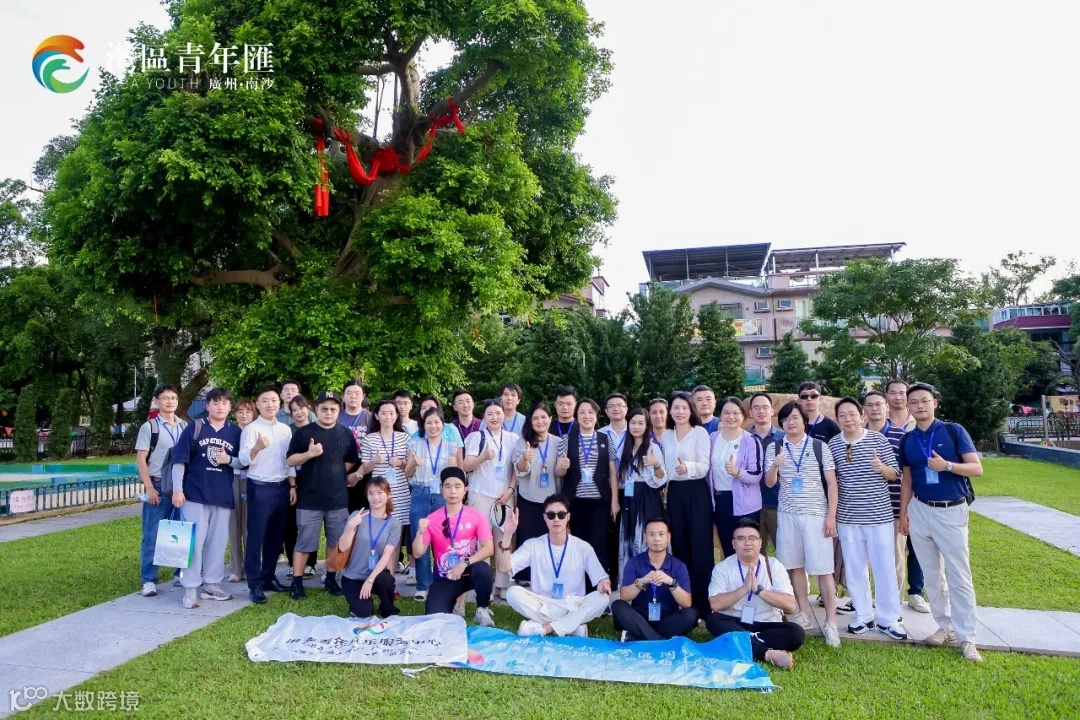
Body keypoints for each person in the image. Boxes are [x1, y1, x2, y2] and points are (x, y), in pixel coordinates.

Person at [898, 383, 984, 662]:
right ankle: (944, 626)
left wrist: (946, 466)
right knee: (932, 575)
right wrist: (903, 513)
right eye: (913, 402)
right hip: (920, 509)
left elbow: (976, 468)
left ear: (934, 402)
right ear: (908, 407)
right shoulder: (908, 439)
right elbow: (907, 480)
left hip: (951, 510)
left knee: (959, 575)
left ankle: (967, 637)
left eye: (924, 400)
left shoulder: (953, 431)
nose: (919, 406)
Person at [828, 397, 908, 639]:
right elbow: (833, 481)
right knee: (854, 568)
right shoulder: (833, 444)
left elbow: (895, 474)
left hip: (879, 517)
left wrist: (880, 467)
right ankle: (862, 616)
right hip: (848, 518)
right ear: (837, 419)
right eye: (842, 415)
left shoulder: (877, 440)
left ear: (861, 416)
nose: (848, 419)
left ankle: (888, 619)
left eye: (852, 414)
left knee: (884, 567)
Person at [763, 401, 841, 647]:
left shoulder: (819, 446)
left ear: (804, 421)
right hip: (787, 515)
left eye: (795, 418)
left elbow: (832, 483)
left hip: (816, 515)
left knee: (824, 570)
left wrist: (831, 516)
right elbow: (769, 482)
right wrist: (775, 465)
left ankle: (831, 623)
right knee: (794, 566)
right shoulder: (775, 447)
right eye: (786, 419)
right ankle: (804, 613)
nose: (791, 423)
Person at [498, 495, 612, 637]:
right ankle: (571, 626)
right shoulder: (533, 545)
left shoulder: (583, 547)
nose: (556, 519)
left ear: (568, 517)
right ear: (545, 518)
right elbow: (504, 567)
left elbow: (601, 578)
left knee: (602, 598)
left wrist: (603, 584)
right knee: (512, 593)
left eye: (561, 515)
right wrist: (508, 534)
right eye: (551, 515)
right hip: (543, 604)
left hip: (572, 604)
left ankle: (545, 628)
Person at [170, 388, 242, 608]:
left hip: (222, 496)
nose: (220, 407)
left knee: (217, 543)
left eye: (225, 403)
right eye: (216, 403)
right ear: (208, 405)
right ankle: (190, 587)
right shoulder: (195, 427)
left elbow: (243, 462)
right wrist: (177, 489)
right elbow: (179, 460)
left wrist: (228, 459)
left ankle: (211, 584)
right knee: (193, 543)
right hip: (195, 494)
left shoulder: (235, 432)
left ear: (229, 407)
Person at [285, 390, 360, 600]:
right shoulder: (303, 433)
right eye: (324, 408)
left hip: (337, 499)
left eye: (333, 409)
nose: (328, 412)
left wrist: (335, 473)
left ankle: (330, 579)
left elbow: (351, 460)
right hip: (309, 499)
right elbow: (290, 460)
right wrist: (309, 454)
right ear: (316, 409)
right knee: (304, 543)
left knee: (335, 542)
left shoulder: (345, 434)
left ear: (339, 410)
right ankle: (297, 582)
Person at [705, 519, 805, 670]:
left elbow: (790, 605)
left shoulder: (774, 566)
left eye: (752, 538)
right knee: (713, 620)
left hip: (767, 624)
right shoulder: (723, 568)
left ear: (760, 543)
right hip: (736, 622)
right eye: (741, 538)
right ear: (733, 544)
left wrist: (759, 590)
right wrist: (744, 589)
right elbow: (715, 605)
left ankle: (742, 642)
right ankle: (767, 654)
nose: (747, 543)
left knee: (796, 633)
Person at [865, 389, 929, 614]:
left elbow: (908, 475)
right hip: (863, 510)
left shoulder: (902, 437)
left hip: (893, 507)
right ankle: (865, 603)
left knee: (895, 560)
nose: (874, 409)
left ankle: (894, 606)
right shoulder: (856, 435)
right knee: (864, 562)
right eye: (870, 405)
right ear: (864, 409)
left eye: (878, 404)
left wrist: (905, 510)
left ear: (886, 407)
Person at [413, 467, 496, 626]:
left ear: (465, 490)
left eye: (457, 486)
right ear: (441, 489)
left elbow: (488, 548)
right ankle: (451, 606)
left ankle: (482, 608)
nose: (453, 491)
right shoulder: (432, 519)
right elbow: (417, 553)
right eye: (448, 486)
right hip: (446, 577)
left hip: (470, 572)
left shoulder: (475, 515)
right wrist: (419, 534)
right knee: (434, 619)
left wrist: (465, 562)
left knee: (483, 569)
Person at [239, 384, 296, 604]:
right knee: (256, 537)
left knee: (276, 536)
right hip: (260, 487)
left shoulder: (285, 429)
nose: (270, 404)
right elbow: (244, 459)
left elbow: (289, 460)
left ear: (279, 404)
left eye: (273, 400)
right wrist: (256, 447)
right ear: (257, 404)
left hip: (282, 487)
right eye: (265, 401)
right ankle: (254, 584)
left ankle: (268, 577)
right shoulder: (251, 429)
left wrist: (292, 485)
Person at [797, 380, 848, 608]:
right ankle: (803, 590)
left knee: (827, 547)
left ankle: (829, 591)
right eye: (804, 396)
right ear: (798, 399)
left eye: (813, 395)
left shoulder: (830, 427)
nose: (809, 400)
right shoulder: (794, 424)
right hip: (799, 498)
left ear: (821, 399)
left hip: (825, 496)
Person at [661, 392, 712, 616]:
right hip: (675, 492)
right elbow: (664, 467)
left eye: (684, 407)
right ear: (670, 411)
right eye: (675, 408)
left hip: (696, 491)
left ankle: (703, 603)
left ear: (691, 410)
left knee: (700, 546)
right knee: (680, 545)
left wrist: (687, 467)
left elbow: (704, 466)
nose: (680, 412)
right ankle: (684, 600)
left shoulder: (700, 433)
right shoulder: (666, 435)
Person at [404, 407, 463, 602]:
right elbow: (407, 473)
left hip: (442, 495)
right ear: (424, 425)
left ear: (443, 424)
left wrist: (454, 466)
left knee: (445, 538)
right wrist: (413, 463)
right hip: (420, 492)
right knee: (420, 536)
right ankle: (423, 585)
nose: (433, 426)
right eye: (429, 422)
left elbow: (459, 475)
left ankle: (444, 580)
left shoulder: (451, 446)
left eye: (437, 422)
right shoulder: (415, 444)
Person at [463, 402, 520, 600]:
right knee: (483, 541)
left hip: (504, 496)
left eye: (498, 413)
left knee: (504, 538)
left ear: (504, 415)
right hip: (480, 494)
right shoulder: (476, 437)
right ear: (484, 417)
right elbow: (466, 465)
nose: (494, 417)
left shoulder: (513, 438)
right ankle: (484, 586)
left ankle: (502, 584)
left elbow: (516, 469)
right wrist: (483, 457)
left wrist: (510, 490)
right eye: (490, 414)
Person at [135, 385, 188, 597]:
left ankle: (179, 574)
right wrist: (149, 488)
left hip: (179, 486)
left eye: (173, 398)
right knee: (153, 534)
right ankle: (148, 580)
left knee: (179, 532)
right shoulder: (150, 428)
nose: (170, 401)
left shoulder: (184, 426)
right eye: (165, 398)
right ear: (157, 401)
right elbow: (141, 459)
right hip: (157, 485)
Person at [558, 398, 618, 575]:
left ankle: (601, 582)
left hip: (600, 501)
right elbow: (558, 472)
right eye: (582, 412)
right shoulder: (567, 439)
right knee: (578, 543)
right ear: (576, 415)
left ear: (596, 416)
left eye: (591, 412)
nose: (587, 416)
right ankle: (579, 582)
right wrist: (562, 466)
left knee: (599, 543)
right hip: (575, 501)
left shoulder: (605, 439)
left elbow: (612, 472)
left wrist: (615, 501)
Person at [612, 517, 697, 641]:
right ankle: (659, 639)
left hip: (667, 620)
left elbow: (686, 603)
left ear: (668, 537)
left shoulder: (679, 566)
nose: (656, 539)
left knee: (691, 614)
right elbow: (624, 597)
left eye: (661, 534)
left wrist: (670, 582)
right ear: (645, 537)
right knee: (617, 606)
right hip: (640, 618)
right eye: (652, 534)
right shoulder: (634, 563)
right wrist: (642, 581)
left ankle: (641, 636)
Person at [360, 399, 412, 576]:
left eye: (391, 413)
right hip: (378, 495)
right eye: (383, 413)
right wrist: (374, 461)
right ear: (376, 415)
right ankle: (377, 574)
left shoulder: (405, 438)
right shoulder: (369, 439)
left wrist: (401, 463)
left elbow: (411, 467)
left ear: (397, 415)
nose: (388, 416)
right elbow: (365, 468)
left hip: (400, 495)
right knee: (379, 535)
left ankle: (389, 578)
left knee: (394, 539)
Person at [511, 402, 562, 585]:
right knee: (527, 538)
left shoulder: (558, 442)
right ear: (530, 421)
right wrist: (525, 458)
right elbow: (520, 470)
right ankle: (525, 576)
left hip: (551, 500)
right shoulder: (523, 442)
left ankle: (547, 575)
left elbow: (560, 472)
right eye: (535, 418)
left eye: (543, 417)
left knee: (549, 539)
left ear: (550, 419)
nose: (540, 421)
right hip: (529, 498)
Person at [338, 477, 402, 618]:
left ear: (388, 494)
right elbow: (342, 547)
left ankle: (387, 607)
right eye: (371, 493)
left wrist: (370, 579)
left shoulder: (394, 524)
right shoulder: (357, 516)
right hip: (353, 576)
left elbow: (387, 555)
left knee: (386, 581)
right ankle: (361, 603)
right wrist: (350, 527)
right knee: (363, 612)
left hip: (376, 574)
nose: (375, 497)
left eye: (380, 492)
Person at [709, 397, 765, 558]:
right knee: (728, 549)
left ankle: (752, 575)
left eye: (736, 413)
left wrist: (737, 472)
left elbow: (756, 475)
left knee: (747, 550)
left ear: (743, 415)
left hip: (745, 504)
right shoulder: (713, 438)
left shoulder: (750, 441)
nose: (731, 416)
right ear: (720, 415)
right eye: (726, 412)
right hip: (720, 501)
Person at [616, 408, 666, 581]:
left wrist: (656, 465)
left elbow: (661, 479)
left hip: (647, 497)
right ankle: (631, 581)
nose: (636, 427)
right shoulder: (624, 448)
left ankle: (653, 579)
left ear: (647, 426)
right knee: (629, 538)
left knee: (646, 537)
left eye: (640, 423)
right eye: (633, 423)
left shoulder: (652, 447)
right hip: (628, 498)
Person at [283, 395, 317, 580]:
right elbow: (287, 461)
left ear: (308, 408)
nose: (298, 412)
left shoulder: (317, 429)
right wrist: (292, 485)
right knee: (291, 525)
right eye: (294, 410)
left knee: (311, 523)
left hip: (313, 482)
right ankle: (292, 563)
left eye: (301, 408)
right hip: (293, 482)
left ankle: (310, 563)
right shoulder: (287, 431)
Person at [749, 393, 784, 550]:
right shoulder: (744, 438)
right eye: (756, 408)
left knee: (785, 553)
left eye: (765, 407)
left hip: (779, 504)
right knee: (755, 554)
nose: (761, 411)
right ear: (750, 412)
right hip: (752, 506)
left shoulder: (784, 437)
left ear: (772, 411)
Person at [227, 399, 256, 583]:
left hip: (253, 480)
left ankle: (251, 567)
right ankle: (236, 569)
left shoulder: (256, 432)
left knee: (249, 526)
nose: (244, 415)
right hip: (232, 480)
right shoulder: (230, 432)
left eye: (248, 411)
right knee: (233, 526)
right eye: (240, 411)